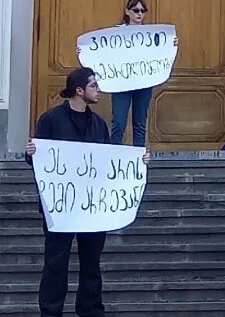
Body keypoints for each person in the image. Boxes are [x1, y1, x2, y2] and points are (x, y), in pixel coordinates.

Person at [26, 67, 151, 317]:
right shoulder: (50, 120)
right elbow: (40, 162)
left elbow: (107, 163)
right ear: (79, 90)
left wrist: (137, 161)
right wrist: (30, 154)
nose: (99, 90)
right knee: (55, 265)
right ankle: (50, 313)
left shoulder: (98, 124)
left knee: (91, 264)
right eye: (93, 85)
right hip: (59, 208)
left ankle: (91, 311)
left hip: (93, 207)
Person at [110, 0, 155, 147]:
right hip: (121, 83)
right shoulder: (117, 33)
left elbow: (161, 52)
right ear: (127, 12)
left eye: (143, 11)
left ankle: (138, 160)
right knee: (118, 122)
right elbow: (103, 53)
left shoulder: (151, 35)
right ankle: (114, 157)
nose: (139, 14)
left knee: (140, 124)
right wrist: (84, 50)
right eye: (136, 10)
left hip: (143, 82)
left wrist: (170, 43)